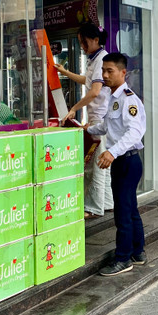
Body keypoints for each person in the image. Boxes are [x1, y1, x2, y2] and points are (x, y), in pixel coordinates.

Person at [86, 53, 147, 276]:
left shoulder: (129, 99)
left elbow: (134, 132)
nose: (104, 75)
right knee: (130, 209)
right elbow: (106, 127)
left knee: (122, 212)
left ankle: (123, 259)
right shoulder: (113, 97)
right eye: (103, 71)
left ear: (123, 73)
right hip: (124, 161)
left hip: (127, 161)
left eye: (110, 71)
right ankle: (138, 253)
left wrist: (111, 151)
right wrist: (86, 129)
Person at [55, 23, 113, 219]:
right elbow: (86, 81)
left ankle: (93, 208)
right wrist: (63, 72)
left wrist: (74, 109)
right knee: (103, 162)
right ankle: (106, 203)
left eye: (84, 41)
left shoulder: (102, 59)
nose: (82, 45)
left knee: (96, 164)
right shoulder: (96, 59)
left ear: (96, 40)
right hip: (99, 117)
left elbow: (95, 91)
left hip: (101, 118)